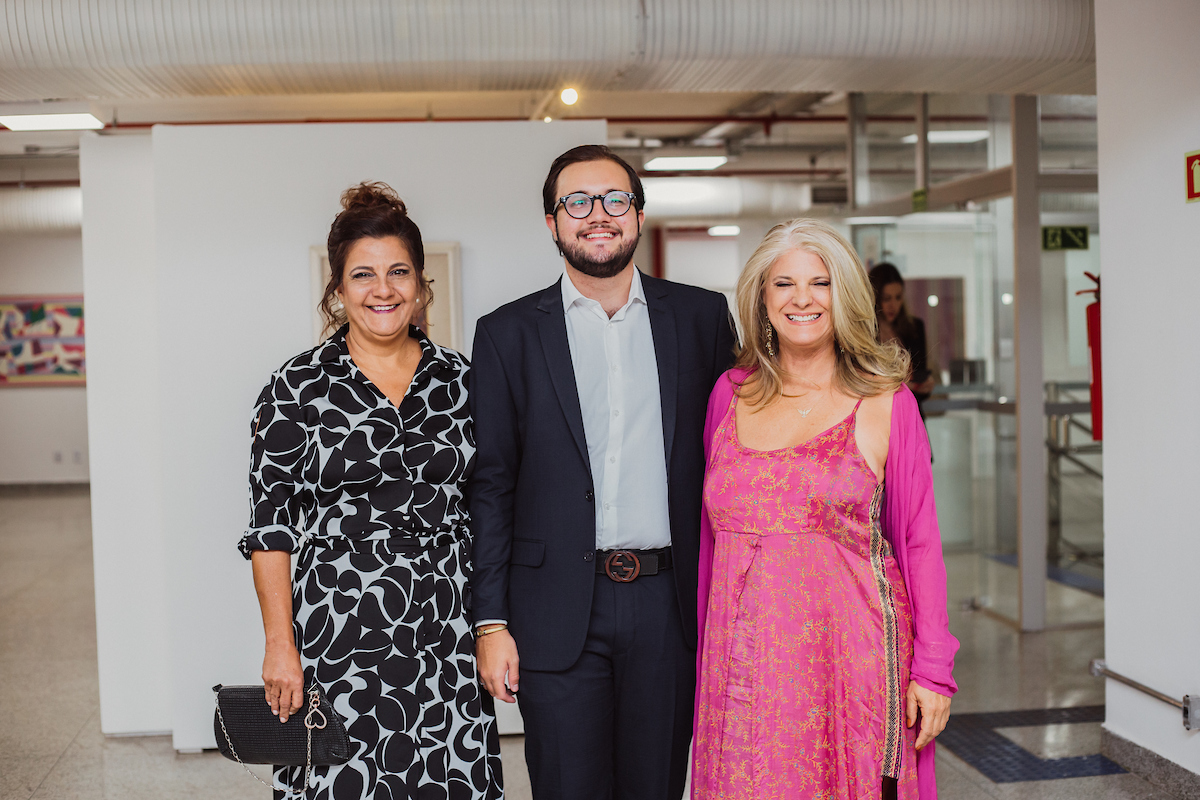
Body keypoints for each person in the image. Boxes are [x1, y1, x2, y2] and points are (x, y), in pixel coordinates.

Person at [469, 144, 736, 800]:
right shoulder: (507, 334)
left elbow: (737, 455)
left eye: (615, 200)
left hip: (667, 606)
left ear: (638, 217)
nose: (598, 215)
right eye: (577, 202)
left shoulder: (701, 319)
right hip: (554, 609)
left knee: (656, 787)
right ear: (553, 222)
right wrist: (492, 622)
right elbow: (492, 485)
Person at [239, 182, 502, 800]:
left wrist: (495, 626)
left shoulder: (466, 381)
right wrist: (281, 648)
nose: (382, 289)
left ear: (420, 284)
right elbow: (270, 529)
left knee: (447, 780)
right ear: (337, 289)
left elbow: (495, 508)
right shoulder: (295, 388)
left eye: (398, 272)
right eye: (362, 275)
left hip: (446, 629)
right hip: (338, 631)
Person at [692, 219, 958, 800]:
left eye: (821, 282)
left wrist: (933, 669)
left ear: (845, 295)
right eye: (783, 283)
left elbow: (919, 541)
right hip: (739, 663)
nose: (803, 298)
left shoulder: (887, 403)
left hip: (849, 662)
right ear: (762, 300)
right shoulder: (729, 395)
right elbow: (712, 545)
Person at [870, 262, 936, 403]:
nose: (893, 305)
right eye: (886, 298)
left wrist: (925, 384)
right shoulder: (863, 332)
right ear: (874, 298)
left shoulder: (914, 328)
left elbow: (919, 373)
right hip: (876, 414)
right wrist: (902, 387)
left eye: (898, 297)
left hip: (910, 410)